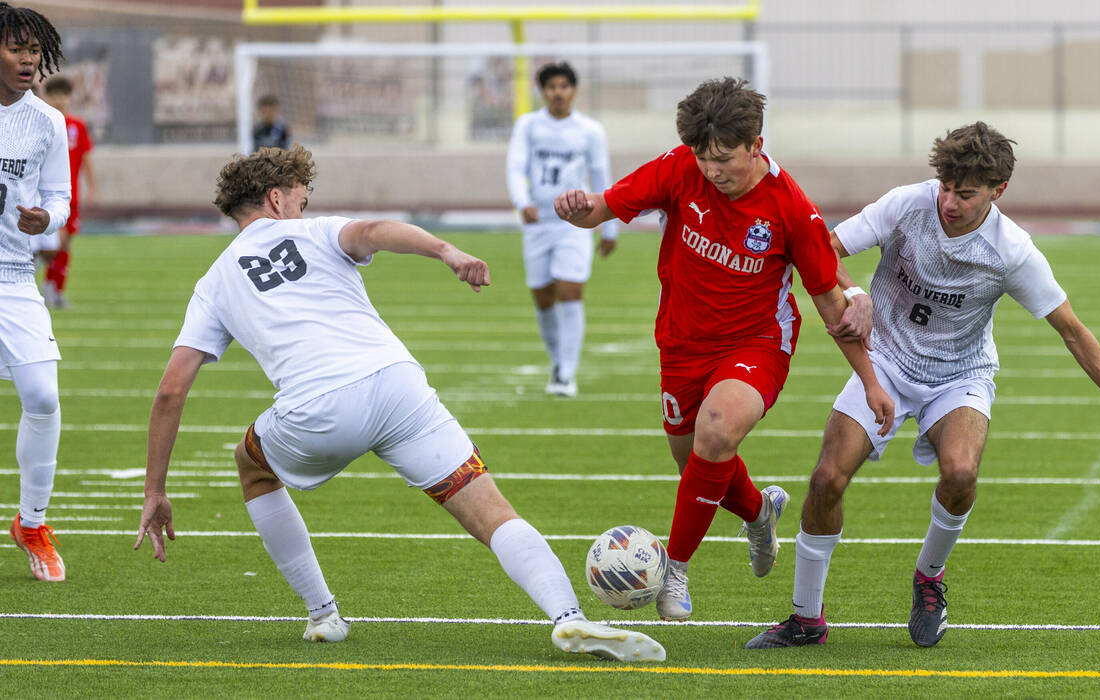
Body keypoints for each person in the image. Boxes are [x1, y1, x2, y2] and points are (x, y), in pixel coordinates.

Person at [133, 145, 665, 662]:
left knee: (252, 466)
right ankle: (567, 614)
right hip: (396, 386)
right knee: (491, 511)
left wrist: (155, 488)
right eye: (300, 198)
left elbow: (170, 390)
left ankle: (324, 615)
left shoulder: (214, 282)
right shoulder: (313, 232)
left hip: (317, 412)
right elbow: (371, 232)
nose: (304, 208)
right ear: (276, 199)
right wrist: (446, 251)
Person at [745, 121, 1100, 650]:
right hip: (886, 362)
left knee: (961, 472)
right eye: (945, 187)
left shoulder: (1012, 251)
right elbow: (822, 250)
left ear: (997, 191)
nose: (949, 202)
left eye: (965, 194)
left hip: (959, 374)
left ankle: (929, 578)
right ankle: (806, 619)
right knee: (827, 477)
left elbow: (1073, 332)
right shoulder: (907, 204)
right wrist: (854, 295)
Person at [554, 77, 894, 621]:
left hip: (758, 343)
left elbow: (830, 299)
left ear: (756, 145)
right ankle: (760, 513)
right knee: (694, 458)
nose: (712, 170)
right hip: (681, 342)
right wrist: (579, 208)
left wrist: (871, 381)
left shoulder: (791, 208)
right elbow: (605, 207)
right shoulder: (678, 168)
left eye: (724, 159)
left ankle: (675, 569)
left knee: (716, 429)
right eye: (704, 157)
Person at [0, 2, 71, 582]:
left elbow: (62, 200)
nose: (27, 59)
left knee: (43, 396)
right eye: (15, 47)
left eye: (33, 50)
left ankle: (32, 521)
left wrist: (43, 219)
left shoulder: (46, 121)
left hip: (12, 276)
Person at [506, 61, 617, 397]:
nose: (558, 93)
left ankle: (566, 373)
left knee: (570, 290)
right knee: (543, 297)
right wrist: (522, 201)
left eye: (564, 86)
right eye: (551, 87)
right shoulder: (528, 126)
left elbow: (601, 177)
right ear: (542, 92)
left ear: (573, 90)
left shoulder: (590, 131)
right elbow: (515, 166)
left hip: (574, 223)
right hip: (539, 222)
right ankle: (557, 362)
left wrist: (609, 229)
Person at [35, 74, 94, 309]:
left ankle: (54, 288)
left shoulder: (77, 126)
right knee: (55, 242)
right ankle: (40, 280)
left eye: (64, 95)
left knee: (65, 244)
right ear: (47, 97)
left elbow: (86, 158)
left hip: (73, 197)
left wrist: (93, 187)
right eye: (55, 95)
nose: (60, 100)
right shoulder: (44, 123)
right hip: (48, 195)